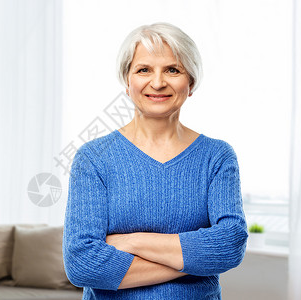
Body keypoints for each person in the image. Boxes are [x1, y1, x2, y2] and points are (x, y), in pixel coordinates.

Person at [62, 22, 248, 299]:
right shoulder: (93, 158)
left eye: (173, 70)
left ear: (191, 82)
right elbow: (82, 265)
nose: (158, 82)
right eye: (143, 69)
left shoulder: (216, 156)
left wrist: (130, 242)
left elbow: (230, 244)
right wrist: (195, 259)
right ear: (127, 81)